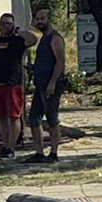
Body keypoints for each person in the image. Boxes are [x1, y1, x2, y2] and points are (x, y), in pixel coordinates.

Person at [0, 13, 37, 161]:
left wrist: (18, 31)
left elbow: (33, 39)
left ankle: (11, 147)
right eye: (3, 23)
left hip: (11, 84)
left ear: (13, 25)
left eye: (8, 23)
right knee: (1, 117)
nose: (5, 26)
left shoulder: (17, 41)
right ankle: (4, 147)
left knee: (13, 116)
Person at [26, 9, 66, 163]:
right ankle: (39, 153)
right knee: (34, 118)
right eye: (37, 18)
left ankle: (54, 153)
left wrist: (53, 82)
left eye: (42, 18)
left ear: (50, 19)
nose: (39, 21)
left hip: (51, 85)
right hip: (40, 84)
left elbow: (60, 62)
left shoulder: (54, 38)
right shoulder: (43, 38)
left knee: (52, 119)